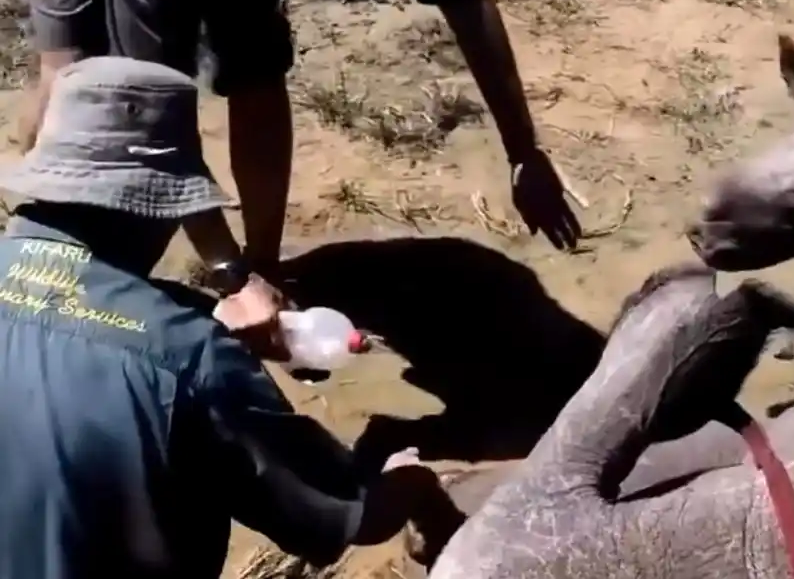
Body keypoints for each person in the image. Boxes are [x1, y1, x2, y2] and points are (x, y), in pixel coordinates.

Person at [0, 55, 463, 577]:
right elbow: (343, 516)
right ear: (156, 205)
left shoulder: (184, 347)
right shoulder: (187, 353)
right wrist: (412, 486)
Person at [9, 0, 582, 286]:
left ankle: (266, 266)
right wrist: (225, 269)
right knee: (77, 81)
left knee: (255, 67)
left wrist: (524, 152)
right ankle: (52, 272)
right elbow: (149, 105)